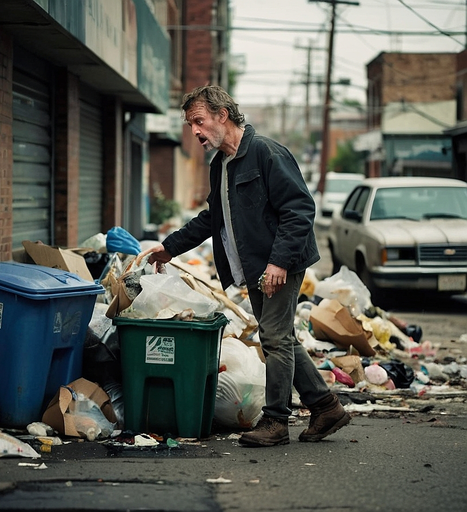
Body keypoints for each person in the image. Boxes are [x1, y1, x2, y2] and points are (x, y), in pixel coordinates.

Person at [147, 85, 350, 447]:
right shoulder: (220, 165)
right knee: (280, 337)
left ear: (222, 116)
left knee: (273, 337)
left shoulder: (266, 153)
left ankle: (275, 422)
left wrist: (279, 263)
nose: (194, 131)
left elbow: (299, 210)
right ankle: (325, 406)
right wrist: (170, 248)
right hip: (255, 266)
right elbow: (213, 218)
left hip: (280, 263)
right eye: (191, 123)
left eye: (199, 121)